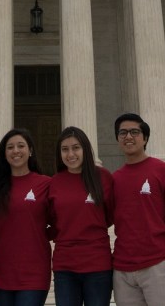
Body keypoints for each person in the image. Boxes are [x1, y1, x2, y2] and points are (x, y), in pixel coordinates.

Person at [111, 112, 165, 305]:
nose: (128, 137)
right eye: (122, 133)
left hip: (157, 266)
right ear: (117, 139)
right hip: (123, 271)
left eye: (134, 132)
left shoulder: (164, 172)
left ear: (145, 138)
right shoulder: (115, 179)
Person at [0, 129, 51, 306]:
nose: (16, 151)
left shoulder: (45, 184)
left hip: (34, 272)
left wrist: (41, 234)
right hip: (1, 271)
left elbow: (60, 219)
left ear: (30, 151)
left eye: (21, 146)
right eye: (10, 147)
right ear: (4, 153)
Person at [48, 126, 114, 306]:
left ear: (85, 148)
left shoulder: (103, 177)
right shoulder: (54, 182)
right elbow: (53, 219)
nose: (70, 154)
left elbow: (110, 215)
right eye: (65, 149)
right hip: (65, 266)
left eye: (76, 148)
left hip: (97, 264)